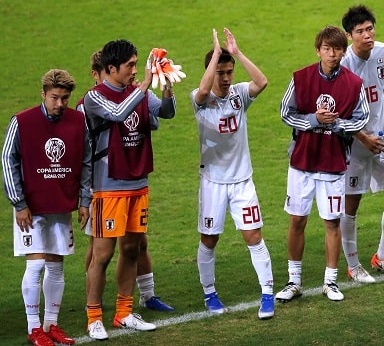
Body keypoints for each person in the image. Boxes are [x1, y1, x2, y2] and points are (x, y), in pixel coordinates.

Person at [83, 39, 177, 340]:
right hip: (108, 185)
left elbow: (166, 112)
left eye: (137, 64)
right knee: (102, 254)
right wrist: (144, 85)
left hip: (139, 182)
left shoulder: (136, 91)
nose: (135, 70)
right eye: (130, 66)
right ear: (111, 69)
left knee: (131, 249)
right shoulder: (95, 97)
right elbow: (118, 114)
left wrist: (166, 87)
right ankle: (94, 317)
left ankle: (124, 312)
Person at [276, 26, 369, 303]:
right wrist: (314, 120)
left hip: (332, 163)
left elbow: (362, 118)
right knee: (297, 220)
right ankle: (294, 281)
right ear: (318, 50)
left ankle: (331, 282)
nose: (332, 53)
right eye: (326, 48)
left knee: (332, 222)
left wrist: (339, 124)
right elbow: (285, 113)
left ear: (343, 50)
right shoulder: (301, 78)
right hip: (302, 162)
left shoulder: (353, 84)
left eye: (337, 48)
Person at [3, 70, 92, 346]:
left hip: (61, 205)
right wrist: (19, 203)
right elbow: (8, 160)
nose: (60, 103)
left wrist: (85, 200)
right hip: (31, 209)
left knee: (56, 267)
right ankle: (34, 328)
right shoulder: (22, 121)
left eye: (65, 98)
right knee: (37, 264)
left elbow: (87, 160)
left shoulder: (78, 121)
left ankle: (51, 324)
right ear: (43, 94)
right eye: (55, 97)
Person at [192, 28, 275, 319]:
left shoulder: (240, 94)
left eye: (229, 71)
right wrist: (215, 54)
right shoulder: (199, 99)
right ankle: (209, 293)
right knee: (209, 239)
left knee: (254, 236)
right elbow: (203, 92)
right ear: (211, 71)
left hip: (242, 182)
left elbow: (261, 81)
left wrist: (237, 53)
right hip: (213, 183)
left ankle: (267, 293)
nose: (226, 78)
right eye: (220, 72)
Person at [339, 6, 384, 283]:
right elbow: (340, 113)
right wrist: (362, 137)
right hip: (352, 146)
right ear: (348, 36)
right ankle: (353, 266)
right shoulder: (342, 65)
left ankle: (382, 257)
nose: (367, 35)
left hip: (380, 139)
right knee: (351, 206)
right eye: (360, 32)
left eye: (370, 29)